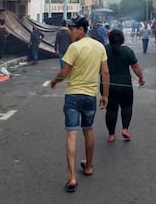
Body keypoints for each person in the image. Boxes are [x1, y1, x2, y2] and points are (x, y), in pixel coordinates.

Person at [50, 17, 110, 193]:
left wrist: (55, 81)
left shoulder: (74, 48)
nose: (70, 32)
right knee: (88, 129)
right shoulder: (99, 47)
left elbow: (64, 72)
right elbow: (105, 72)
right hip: (90, 96)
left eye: (72, 29)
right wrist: (105, 95)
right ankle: (89, 166)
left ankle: (72, 178)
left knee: (72, 134)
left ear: (82, 29)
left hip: (73, 96)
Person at [104, 29, 145, 143]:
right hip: (125, 85)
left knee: (111, 110)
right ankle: (125, 129)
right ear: (122, 39)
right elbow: (135, 66)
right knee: (126, 106)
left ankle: (111, 135)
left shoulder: (104, 50)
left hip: (108, 85)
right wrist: (141, 78)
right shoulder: (127, 51)